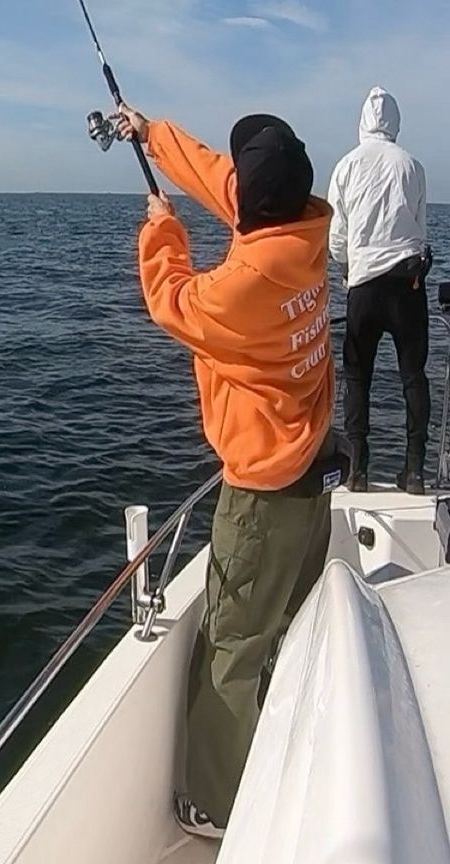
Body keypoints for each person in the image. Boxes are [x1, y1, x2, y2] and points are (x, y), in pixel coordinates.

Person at [115, 103, 342, 840]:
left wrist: (161, 226)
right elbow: (223, 179)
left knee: (231, 652)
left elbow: (171, 302)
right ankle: (282, 743)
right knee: (287, 627)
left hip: (262, 498)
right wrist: (149, 133)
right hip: (311, 479)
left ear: (253, 206)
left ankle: (212, 805)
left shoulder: (242, 288)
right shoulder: (306, 232)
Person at [328, 87, 430, 494]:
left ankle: (357, 472)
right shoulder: (414, 167)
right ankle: (416, 473)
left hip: (364, 287)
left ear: (362, 122)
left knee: (357, 378)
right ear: (395, 121)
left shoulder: (346, 166)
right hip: (408, 285)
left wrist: (349, 267)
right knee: (413, 377)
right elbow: (420, 231)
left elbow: (338, 236)